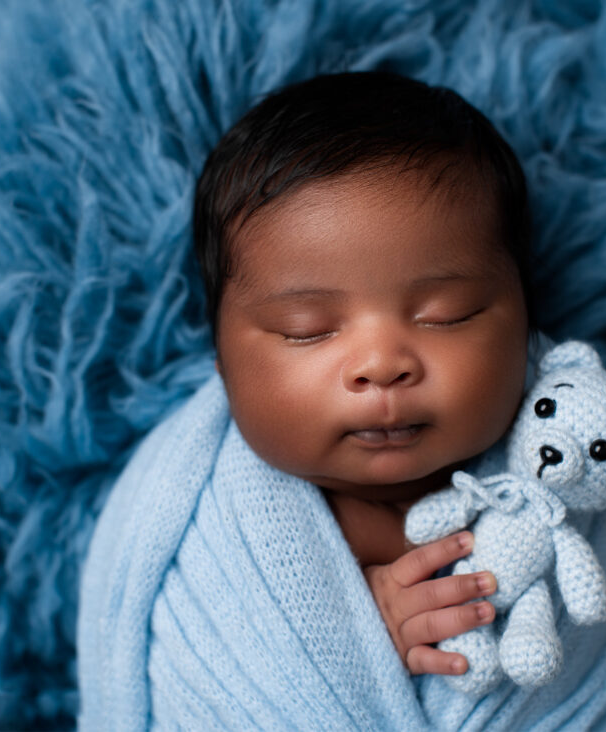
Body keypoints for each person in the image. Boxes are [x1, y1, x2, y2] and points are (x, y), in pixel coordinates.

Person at [192, 70, 534, 678]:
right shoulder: (217, 532)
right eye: (307, 328)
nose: (381, 365)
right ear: (224, 368)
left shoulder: (556, 477)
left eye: (446, 316)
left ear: (526, 328)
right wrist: (360, 632)